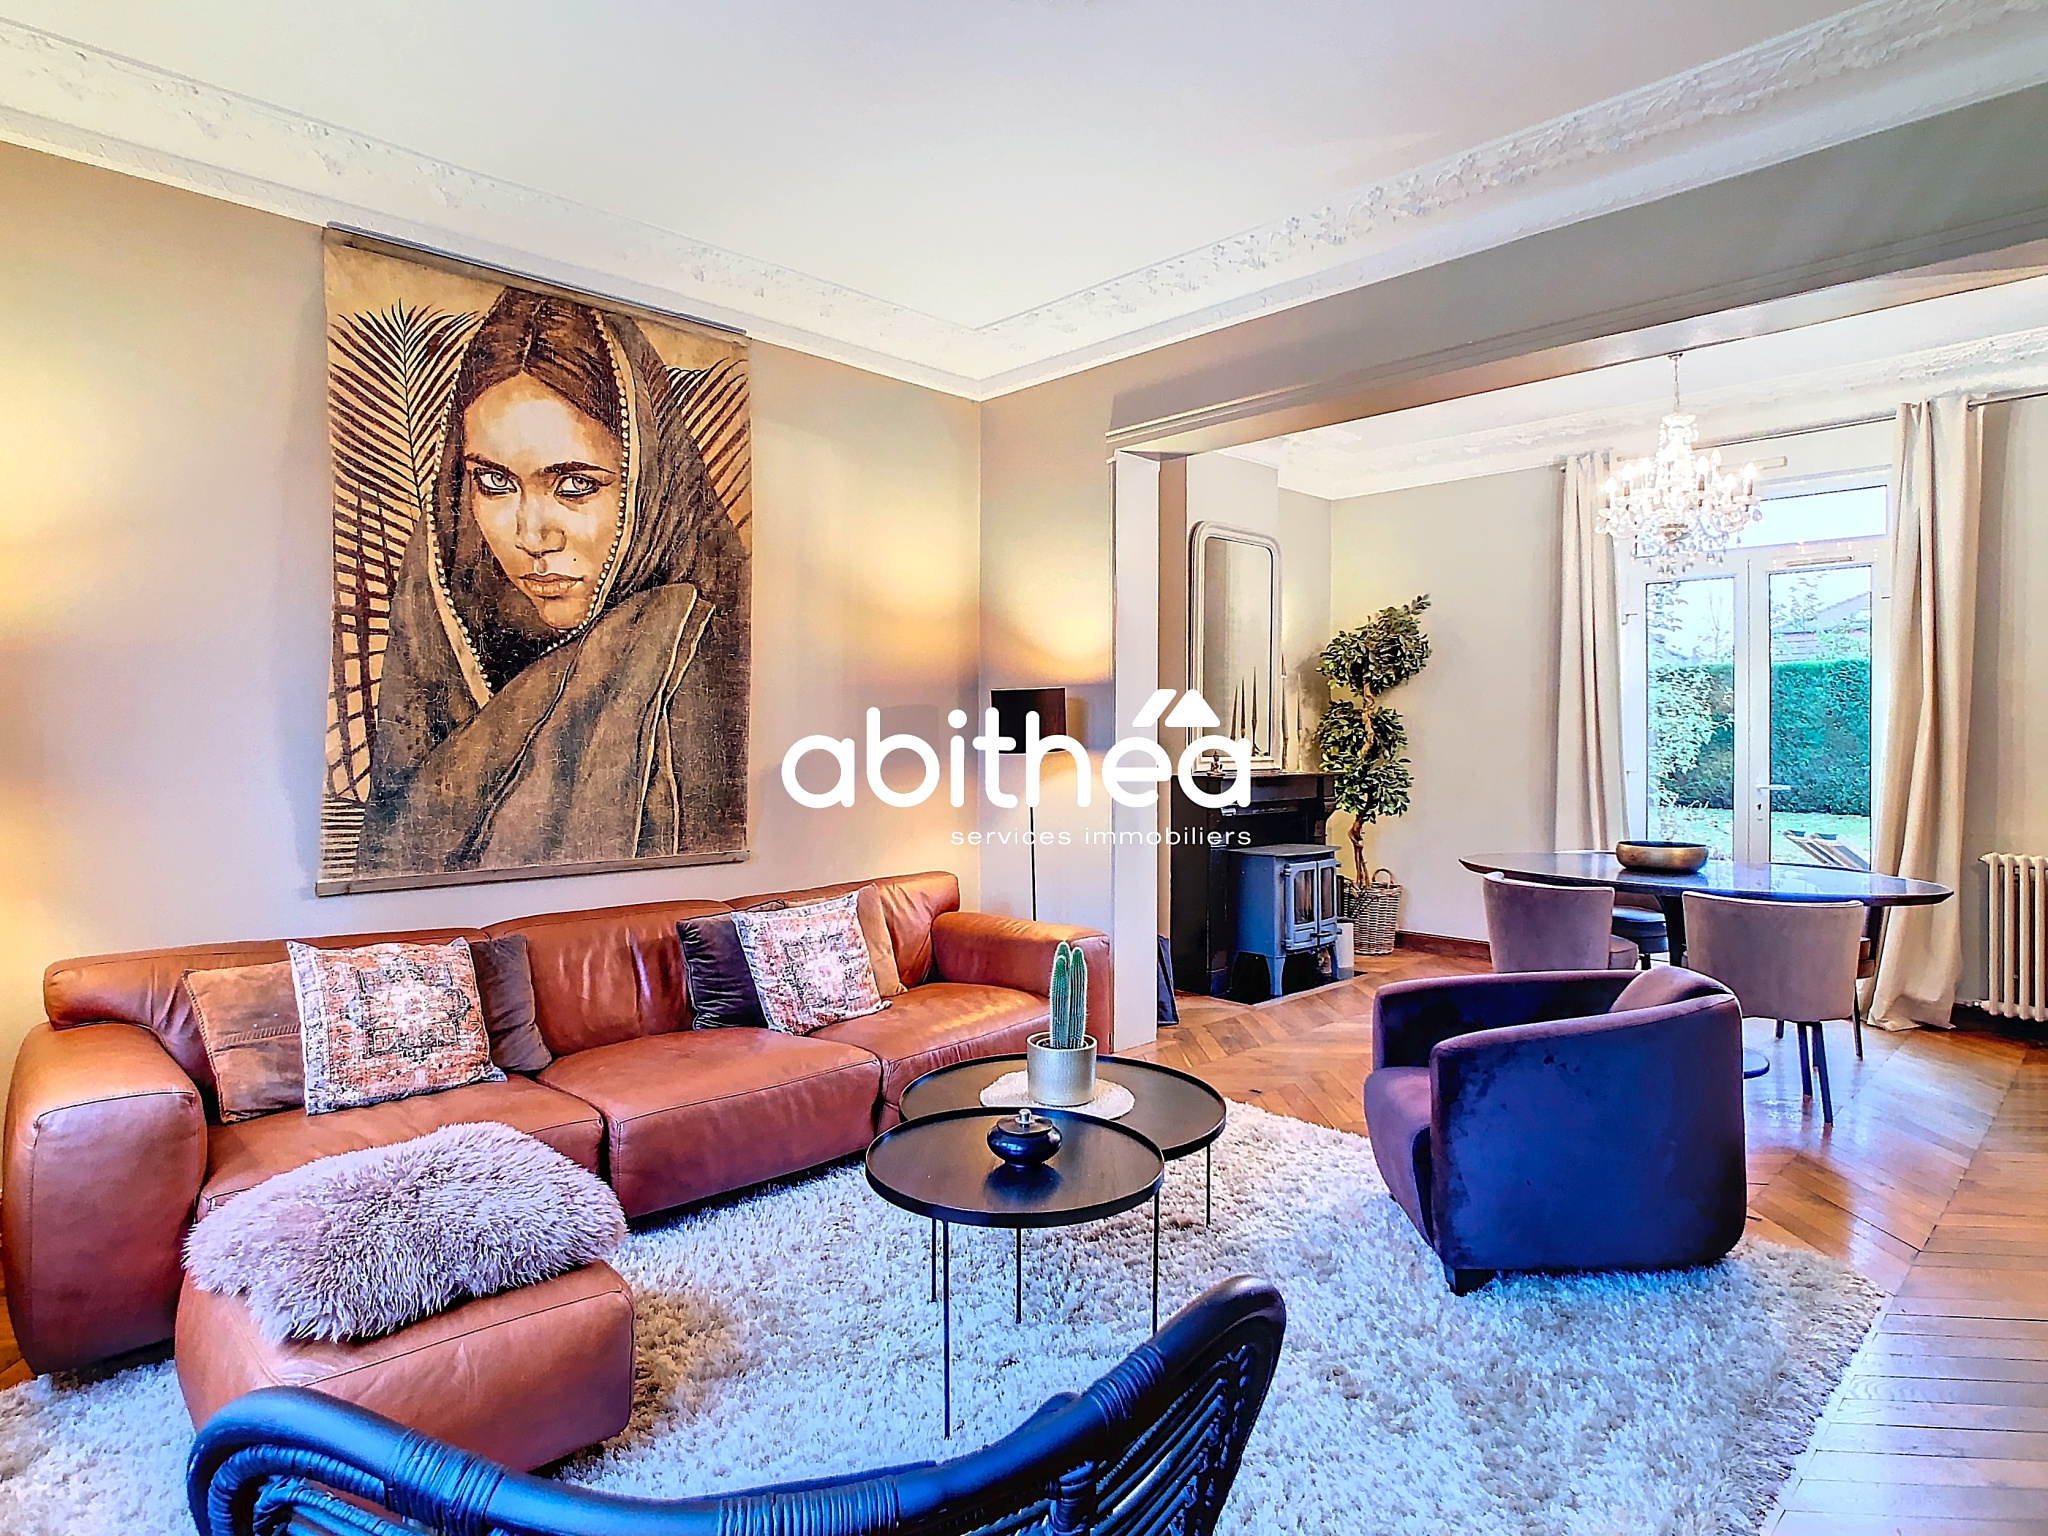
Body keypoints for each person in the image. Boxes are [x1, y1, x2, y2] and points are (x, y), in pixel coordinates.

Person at [357, 287, 748, 876]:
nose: (532, 535)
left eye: (574, 486)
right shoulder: (446, 625)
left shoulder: (703, 656)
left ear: (650, 484)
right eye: (493, 483)